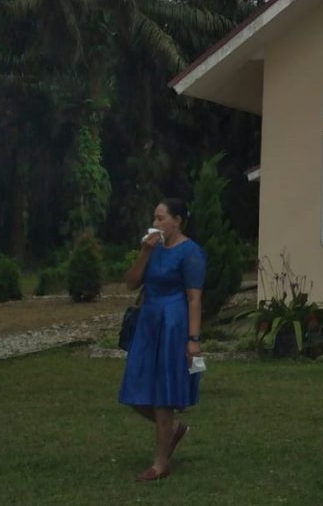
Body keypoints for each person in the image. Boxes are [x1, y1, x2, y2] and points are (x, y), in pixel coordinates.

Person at [118, 199, 207, 482]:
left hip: (173, 323)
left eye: (160, 218)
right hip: (148, 321)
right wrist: (144, 252)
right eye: (154, 218)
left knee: (162, 394)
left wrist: (193, 340)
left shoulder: (191, 252)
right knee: (135, 390)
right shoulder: (153, 249)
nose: (155, 224)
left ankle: (160, 462)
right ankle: (173, 428)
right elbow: (131, 282)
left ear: (176, 220)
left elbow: (194, 298)